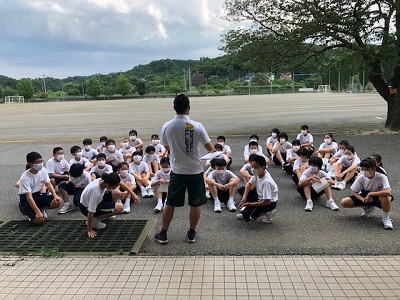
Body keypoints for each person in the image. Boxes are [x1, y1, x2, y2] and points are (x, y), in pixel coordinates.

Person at [154, 94, 215, 244]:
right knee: (195, 203)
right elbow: (210, 148)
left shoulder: (167, 126)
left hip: (178, 171)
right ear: (189, 108)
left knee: (170, 202)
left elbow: (167, 147)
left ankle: (163, 233)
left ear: (174, 108)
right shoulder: (197, 126)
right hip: (195, 170)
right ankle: (192, 233)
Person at [340, 158, 393, 230]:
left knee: (386, 196)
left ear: (373, 169)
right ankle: (367, 207)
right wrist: (363, 199)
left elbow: (388, 192)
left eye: (367, 169)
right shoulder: (361, 178)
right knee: (344, 202)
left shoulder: (381, 176)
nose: (364, 171)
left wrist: (371, 194)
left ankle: (386, 218)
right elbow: (354, 192)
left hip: (379, 195)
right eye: (362, 169)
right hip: (366, 195)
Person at [18, 152, 62, 224]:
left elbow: (48, 183)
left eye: (41, 161)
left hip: (39, 195)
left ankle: (41, 208)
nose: (40, 164)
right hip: (27, 199)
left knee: (58, 201)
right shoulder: (25, 177)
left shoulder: (43, 170)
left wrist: (54, 195)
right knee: (39, 221)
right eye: (37, 162)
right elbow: (29, 197)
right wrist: (37, 212)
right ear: (30, 164)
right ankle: (27, 209)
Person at [79, 173, 124, 238]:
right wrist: (90, 230)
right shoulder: (96, 192)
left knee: (117, 192)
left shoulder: (103, 180)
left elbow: (120, 183)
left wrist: (132, 194)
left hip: (97, 200)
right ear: (107, 185)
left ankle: (104, 213)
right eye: (113, 187)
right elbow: (90, 212)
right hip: (86, 208)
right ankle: (95, 220)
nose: (114, 188)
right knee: (120, 208)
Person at [237, 155, 278, 223]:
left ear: (263, 168)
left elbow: (267, 201)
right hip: (260, 196)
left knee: (249, 217)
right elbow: (249, 184)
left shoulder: (266, 182)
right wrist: (244, 198)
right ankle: (247, 211)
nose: (253, 169)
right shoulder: (258, 173)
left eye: (256, 167)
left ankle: (269, 212)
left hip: (269, 203)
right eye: (252, 166)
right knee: (242, 189)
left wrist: (250, 204)